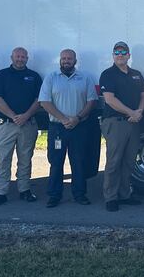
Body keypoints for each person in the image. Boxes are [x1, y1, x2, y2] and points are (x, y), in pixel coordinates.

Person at [39, 49, 98, 208]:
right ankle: (54, 195)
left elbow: (91, 102)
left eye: (69, 58)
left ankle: (79, 194)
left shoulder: (85, 78)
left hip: (79, 127)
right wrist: (63, 119)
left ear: (75, 61)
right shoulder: (51, 77)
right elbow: (45, 102)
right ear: (60, 60)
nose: (66, 61)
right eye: (64, 58)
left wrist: (77, 118)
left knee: (79, 162)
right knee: (56, 162)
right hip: (58, 128)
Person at [0, 47, 43, 207]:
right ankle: (0, 193)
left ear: (27, 59)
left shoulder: (34, 76)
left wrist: (26, 115)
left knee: (25, 159)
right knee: (3, 159)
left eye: (23, 57)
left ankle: (24, 189)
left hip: (28, 124)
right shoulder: (2, 75)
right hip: (6, 125)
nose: (20, 59)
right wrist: (13, 116)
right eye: (17, 56)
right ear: (11, 57)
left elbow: (39, 99)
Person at [99, 41, 144, 212]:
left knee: (129, 161)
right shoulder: (108, 74)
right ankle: (111, 197)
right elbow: (110, 99)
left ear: (128, 55)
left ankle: (125, 194)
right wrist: (131, 112)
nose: (120, 55)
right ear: (113, 55)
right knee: (114, 161)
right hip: (116, 122)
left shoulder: (136, 75)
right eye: (117, 52)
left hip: (133, 122)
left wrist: (139, 111)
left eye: (123, 52)